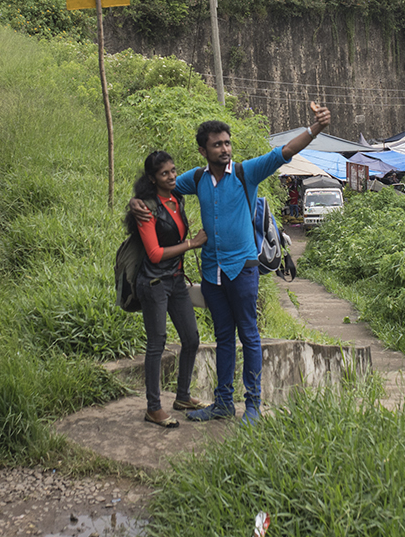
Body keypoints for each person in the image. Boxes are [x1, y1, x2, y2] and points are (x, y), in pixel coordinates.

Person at [133, 102, 330, 424]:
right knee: (224, 337)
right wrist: (136, 200)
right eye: (217, 144)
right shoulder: (195, 179)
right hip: (212, 274)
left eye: (227, 142)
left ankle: (253, 404)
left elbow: (284, 151)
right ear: (203, 150)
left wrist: (316, 128)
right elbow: (159, 186)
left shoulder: (245, 172)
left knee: (249, 336)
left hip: (243, 269)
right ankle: (223, 402)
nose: (224, 149)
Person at [125, 150, 206, 428]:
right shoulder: (146, 207)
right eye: (164, 173)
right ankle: (153, 408)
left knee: (191, 338)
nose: (171, 176)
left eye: (173, 171)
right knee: (156, 343)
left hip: (176, 280)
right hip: (154, 283)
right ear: (152, 178)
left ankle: (182, 396)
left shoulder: (176, 197)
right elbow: (155, 253)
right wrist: (192, 244)